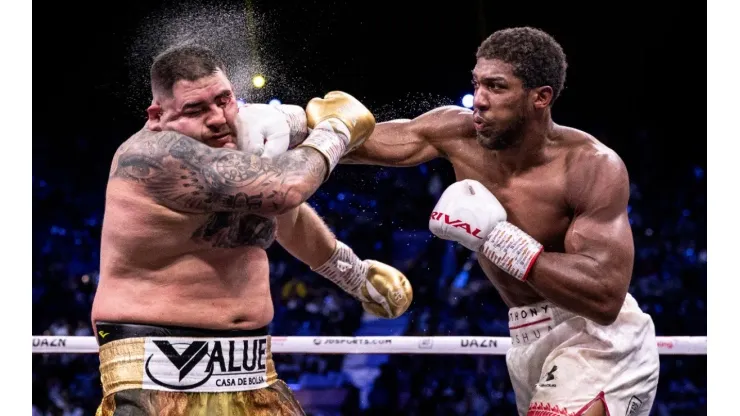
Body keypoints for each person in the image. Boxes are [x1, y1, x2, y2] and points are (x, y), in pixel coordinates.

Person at [341, 27, 660, 416]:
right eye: (476, 84)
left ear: (540, 97)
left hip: (596, 338)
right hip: (525, 337)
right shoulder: (457, 133)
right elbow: (362, 142)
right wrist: (291, 130)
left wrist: (496, 237)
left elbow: (605, 297)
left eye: (496, 87)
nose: (478, 100)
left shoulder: (590, 165)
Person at [90, 44, 412, 416]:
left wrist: (354, 275)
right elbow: (285, 190)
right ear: (157, 114)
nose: (217, 118)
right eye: (195, 109)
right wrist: (334, 130)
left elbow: (282, 214)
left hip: (251, 369)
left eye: (223, 100)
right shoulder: (155, 155)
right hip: (156, 372)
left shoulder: (235, 147)